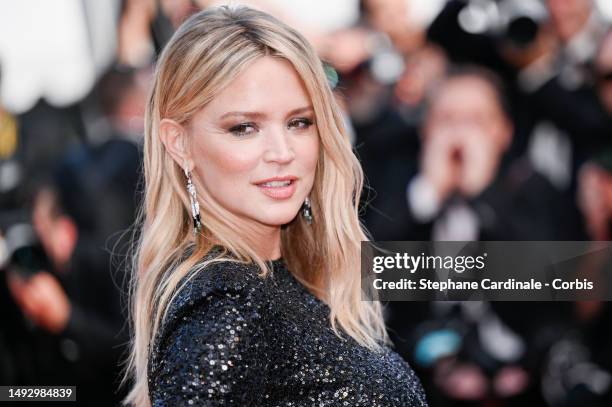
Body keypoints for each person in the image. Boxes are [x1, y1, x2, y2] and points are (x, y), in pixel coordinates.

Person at [122, 5, 428, 407]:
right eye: (244, 128)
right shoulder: (225, 305)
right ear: (179, 143)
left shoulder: (279, 281)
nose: (282, 152)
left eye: (299, 122)